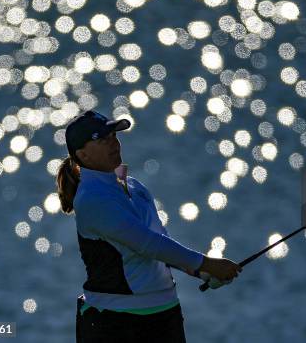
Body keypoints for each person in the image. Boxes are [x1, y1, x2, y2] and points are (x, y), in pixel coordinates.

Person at [55, 110, 242, 342]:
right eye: (102, 140)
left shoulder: (134, 187)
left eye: (114, 136)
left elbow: (160, 242)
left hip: (165, 314)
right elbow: (147, 244)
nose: (113, 143)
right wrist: (208, 263)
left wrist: (198, 271)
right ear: (82, 154)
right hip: (115, 322)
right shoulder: (91, 198)